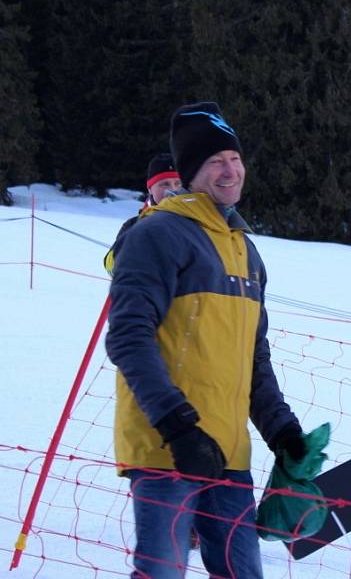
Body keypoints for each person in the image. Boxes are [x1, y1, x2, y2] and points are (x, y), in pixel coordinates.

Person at [106, 101, 309, 578]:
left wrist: (280, 428)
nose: (230, 170)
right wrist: (178, 427)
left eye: (235, 158)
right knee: (163, 572)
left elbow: (252, 356)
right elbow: (128, 339)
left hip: (228, 452)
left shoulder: (246, 249)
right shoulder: (157, 233)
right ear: (192, 171)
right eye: (215, 161)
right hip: (167, 449)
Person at [103, 153, 182, 274]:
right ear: (150, 189)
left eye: (178, 183)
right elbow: (111, 266)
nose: (172, 190)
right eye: (164, 184)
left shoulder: (198, 220)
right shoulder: (135, 224)